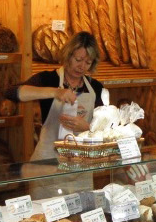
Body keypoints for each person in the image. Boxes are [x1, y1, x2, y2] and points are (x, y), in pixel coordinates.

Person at [6, 32, 105, 161]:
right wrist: (55, 92)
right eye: (78, 60)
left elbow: (107, 128)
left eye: (88, 62)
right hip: (48, 162)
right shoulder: (48, 79)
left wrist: (88, 128)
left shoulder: (96, 87)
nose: (81, 67)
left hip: (81, 165)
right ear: (68, 55)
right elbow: (11, 92)